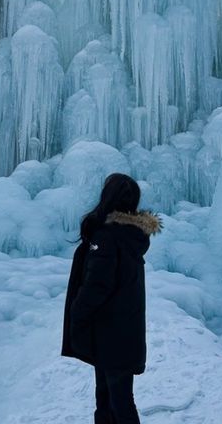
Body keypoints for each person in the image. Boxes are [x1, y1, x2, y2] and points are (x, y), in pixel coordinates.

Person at [61, 173, 162, 423]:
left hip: (109, 332)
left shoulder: (107, 237)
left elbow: (98, 284)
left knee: (115, 401)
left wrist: (78, 312)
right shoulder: (130, 235)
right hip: (124, 330)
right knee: (112, 398)